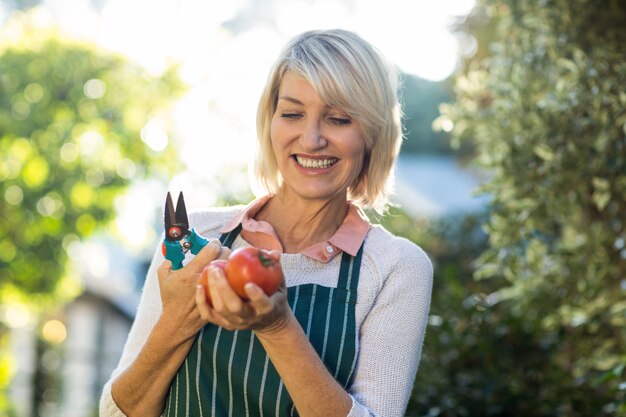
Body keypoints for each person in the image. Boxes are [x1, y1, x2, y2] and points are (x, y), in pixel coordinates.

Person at [100, 28, 433, 417]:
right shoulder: (197, 239)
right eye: (292, 113)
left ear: (374, 134)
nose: (310, 140)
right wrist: (177, 319)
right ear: (270, 122)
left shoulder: (395, 268)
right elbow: (117, 412)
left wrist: (277, 327)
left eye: (338, 119)